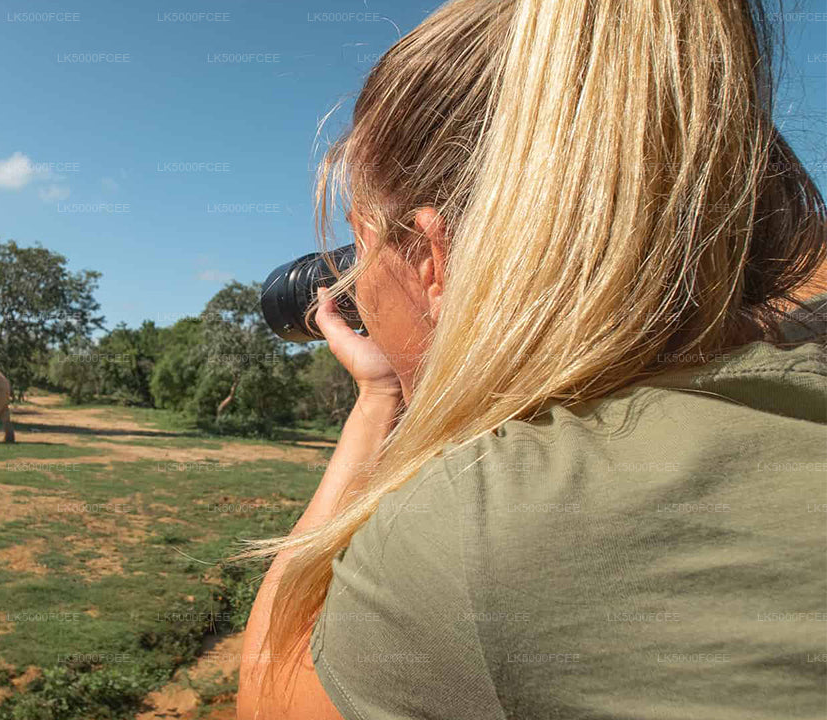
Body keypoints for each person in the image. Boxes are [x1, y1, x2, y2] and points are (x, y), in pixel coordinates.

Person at [237, 0, 827, 718]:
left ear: (431, 256)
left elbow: (271, 693)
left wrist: (379, 398)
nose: (360, 283)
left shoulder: (483, 521)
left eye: (364, 251)